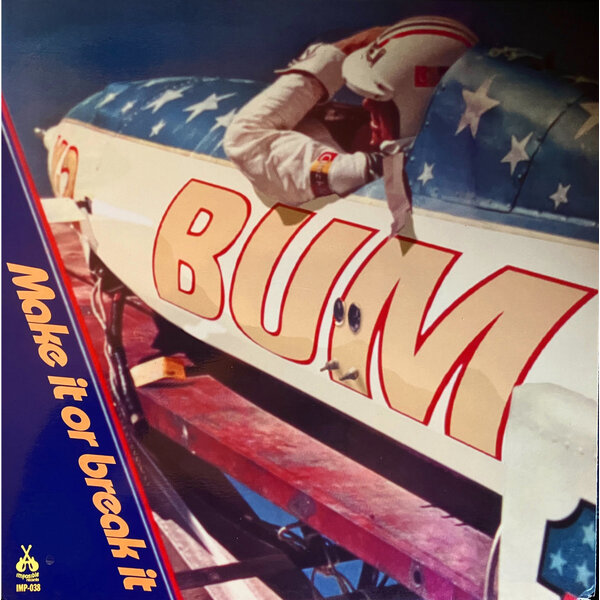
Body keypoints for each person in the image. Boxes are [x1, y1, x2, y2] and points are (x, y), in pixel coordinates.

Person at [224, 16, 477, 234]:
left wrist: (344, 49)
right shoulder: (468, 167)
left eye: (378, 97)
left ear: (412, 103)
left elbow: (245, 138)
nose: (366, 104)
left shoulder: (371, 172)